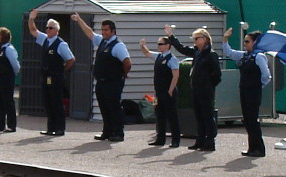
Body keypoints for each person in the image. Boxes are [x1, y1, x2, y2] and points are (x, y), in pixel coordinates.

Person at [72, 14, 131, 142]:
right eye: (102, 30)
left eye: (106, 30)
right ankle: (107, 131)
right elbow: (90, 33)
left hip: (113, 82)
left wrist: (123, 74)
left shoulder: (118, 46)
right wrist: (79, 20)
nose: (103, 32)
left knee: (114, 107)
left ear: (113, 31)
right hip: (101, 81)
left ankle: (118, 133)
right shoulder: (103, 41)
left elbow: (127, 62)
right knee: (104, 107)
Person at [164, 25, 221, 151]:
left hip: (205, 90)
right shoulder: (197, 53)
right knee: (199, 116)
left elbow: (217, 74)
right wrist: (171, 36)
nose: (194, 41)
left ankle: (210, 142)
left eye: (196, 38)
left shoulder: (211, 55)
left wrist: (208, 85)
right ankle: (200, 140)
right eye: (193, 39)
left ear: (205, 39)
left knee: (207, 116)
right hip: (195, 89)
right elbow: (182, 49)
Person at [223, 27, 271, 157]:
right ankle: (252, 147)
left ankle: (259, 148)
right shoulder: (245, 55)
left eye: (247, 41)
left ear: (255, 42)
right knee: (247, 119)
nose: (245, 44)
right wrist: (225, 39)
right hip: (244, 90)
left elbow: (266, 75)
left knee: (253, 119)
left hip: (253, 91)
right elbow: (229, 52)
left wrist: (258, 85)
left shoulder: (259, 56)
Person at [28, 11, 76, 136]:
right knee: (48, 102)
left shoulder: (61, 44)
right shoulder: (45, 40)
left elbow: (71, 59)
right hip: (45, 76)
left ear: (56, 30)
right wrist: (31, 19)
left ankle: (60, 128)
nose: (48, 30)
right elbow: (33, 31)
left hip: (56, 77)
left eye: (51, 28)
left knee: (57, 102)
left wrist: (62, 70)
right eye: (47, 28)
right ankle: (51, 127)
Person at [139, 36, 180, 148]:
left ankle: (175, 140)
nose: (159, 46)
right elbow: (147, 53)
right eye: (158, 44)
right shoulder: (158, 57)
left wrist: (171, 90)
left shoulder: (172, 59)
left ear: (168, 45)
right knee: (159, 115)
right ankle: (160, 138)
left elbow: (175, 76)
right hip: (158, 92)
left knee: (172, 116)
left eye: (161, 44)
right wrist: (142, 45)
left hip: (168, 92)